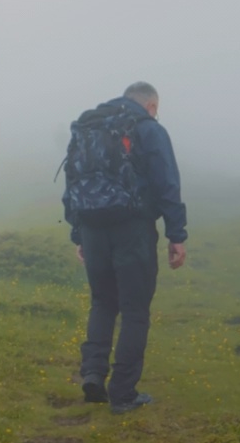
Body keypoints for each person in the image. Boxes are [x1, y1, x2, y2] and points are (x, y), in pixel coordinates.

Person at [65, 81, 187, 415]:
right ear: (150, 105)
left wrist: (79, 233)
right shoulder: (148, 129)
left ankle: (92, 373)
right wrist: (176, 235)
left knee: (103, 302)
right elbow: (167, 182)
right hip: (132, 228)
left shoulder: (90, 125)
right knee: (135, 310)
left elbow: (73, 182)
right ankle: (122, 394)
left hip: (92, 227)